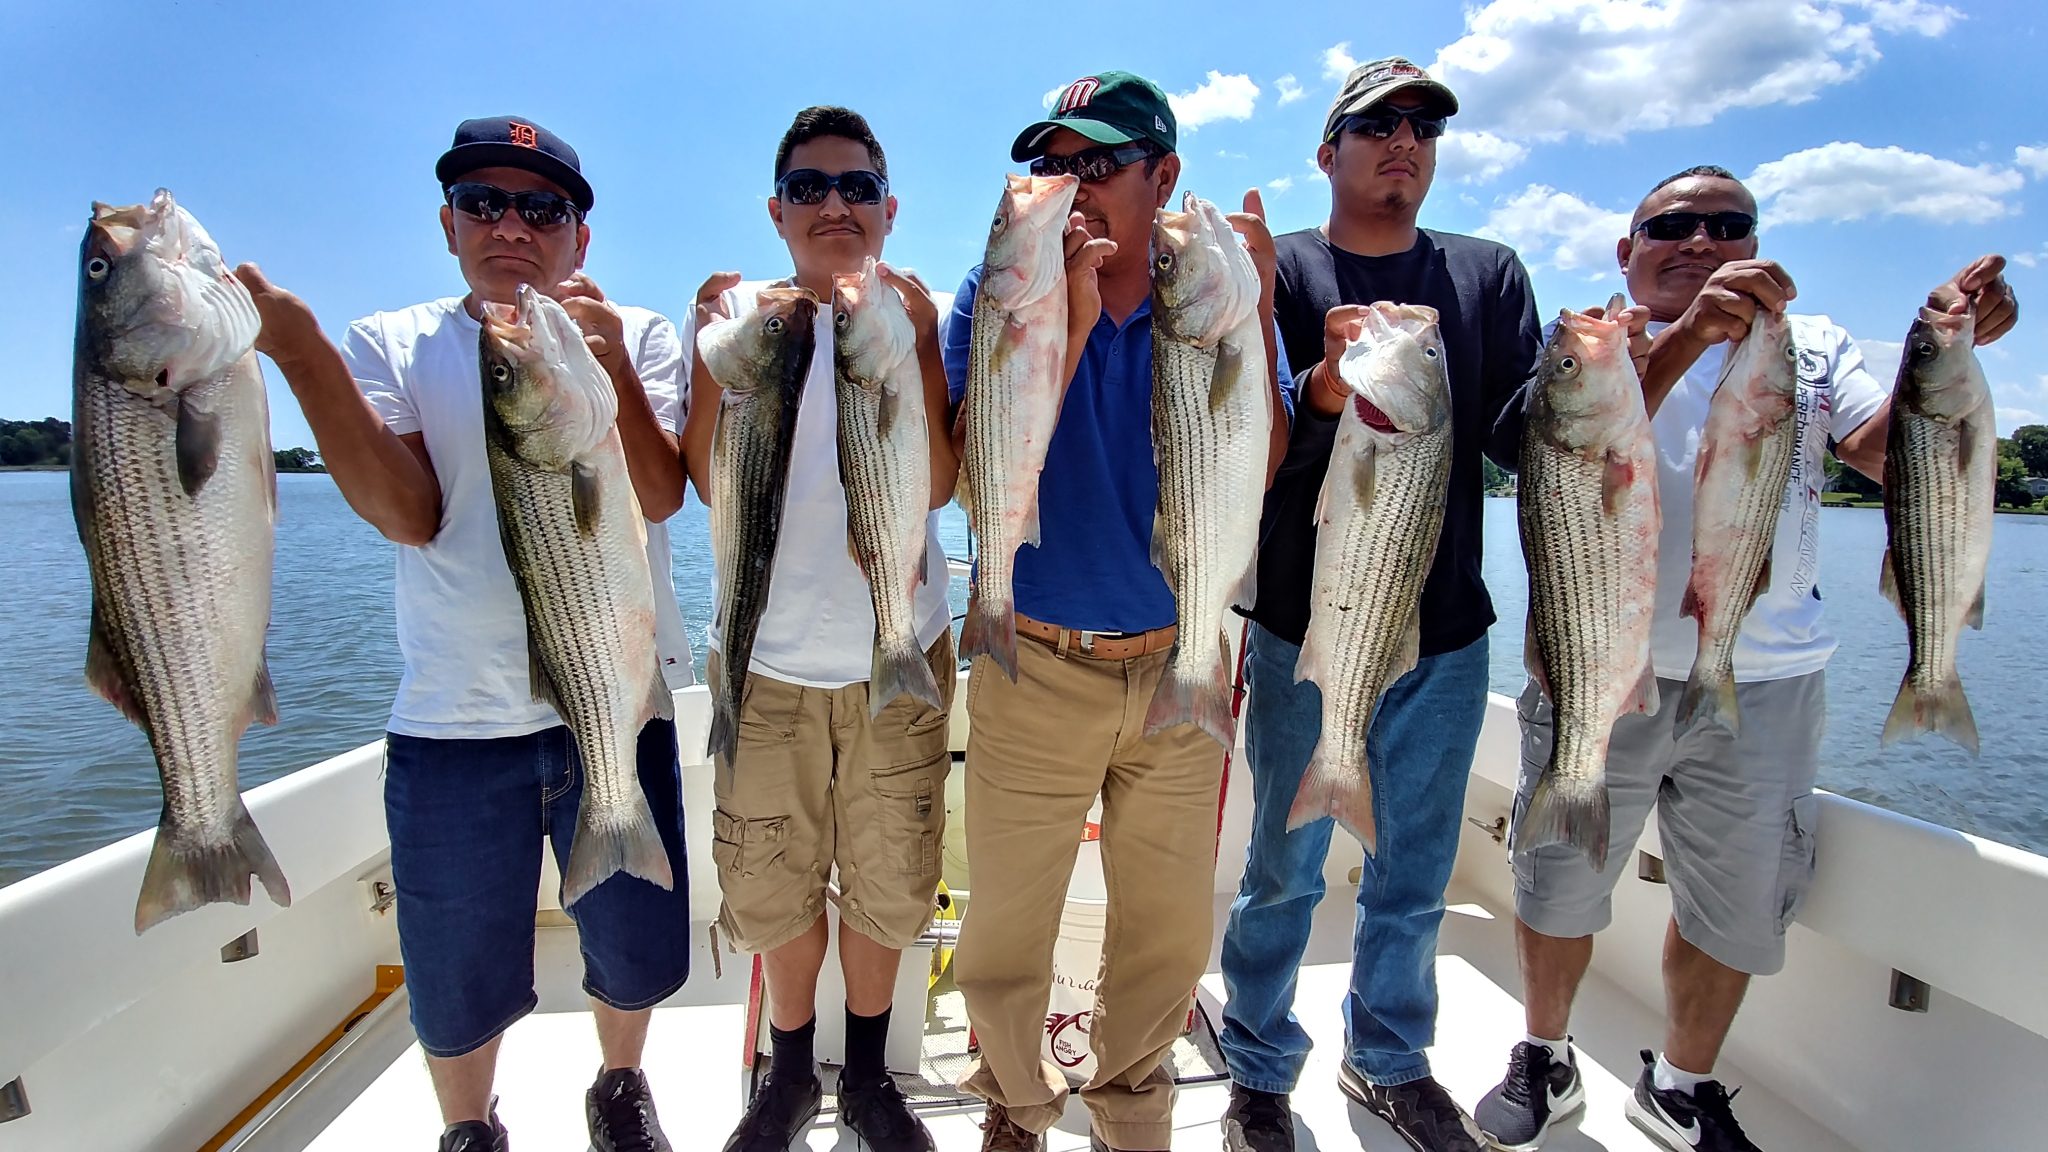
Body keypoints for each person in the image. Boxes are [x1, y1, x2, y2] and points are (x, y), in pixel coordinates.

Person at [1472, 165, 2017, 1152]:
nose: (1699, 241)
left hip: (1770, 676)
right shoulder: (1594, 344)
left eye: (1729, 226)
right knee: (1557, 875)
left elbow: (1889, 457)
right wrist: (1685, 340)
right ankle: (1543, 1053)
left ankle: (1678, 1084)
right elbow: (1550, 446)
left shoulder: (1813, 349)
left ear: (1757, 243)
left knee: (1730, 905)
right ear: (1625, 249)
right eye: (1671, 225)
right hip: (1598, 657)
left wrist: (1952, 358)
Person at [232, 115, 694, 1152]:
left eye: (541, 208)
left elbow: (660, 494)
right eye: (483, 203)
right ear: (447, 224)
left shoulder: (637, 334)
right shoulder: (394, 343)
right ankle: (468, 1126)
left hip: (613, 698)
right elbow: (404, 511)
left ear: (580, 234)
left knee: (635, 942)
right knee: (451, 968)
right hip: (448, 719)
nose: (511, 227)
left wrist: (610, 368)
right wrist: (300, 353)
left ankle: (619, 1086)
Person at [941, 71, 1292, 1152]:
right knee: (1003, 919)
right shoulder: (997, 287)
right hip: (1032, 653)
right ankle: (1013, 1101)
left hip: (1179, 654)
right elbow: (974, 469)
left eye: (1097, 162)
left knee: (1168, 928)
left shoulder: (1217, 298)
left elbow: (1265, 465)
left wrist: (1265, 317)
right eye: (1054, 163)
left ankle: (1130, 1111)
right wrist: (1074, 314)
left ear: (1163, 176)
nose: (1072, 184)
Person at [1217, 58, 1551, 1152]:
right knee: (1278, 869)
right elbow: (1239, 440)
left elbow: (1516, 437)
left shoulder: (1488, 274)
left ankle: (1388, 1062)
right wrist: (1315, 390)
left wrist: (1610, 370)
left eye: (1423, 127)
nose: (1402, 140)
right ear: (1329, 152)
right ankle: (1258, 1070)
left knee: (1410, 873)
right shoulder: (1284, 272)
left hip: (1445, 632)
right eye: (1376, 125)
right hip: (1299, 625)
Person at [677, 105, 959, 1152]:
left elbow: (936, 479)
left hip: (899, 641)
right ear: (777, 209)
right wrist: (714, 348)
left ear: (888, 208)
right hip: (763, 661)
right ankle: (789, 1067)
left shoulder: (913, 314)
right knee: (771, 875)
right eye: (809, 187)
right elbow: (695, 480)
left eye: (854, 186)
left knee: (889, 873)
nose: (833, 203)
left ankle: (872, 1074)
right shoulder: (739, 317)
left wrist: (923, 347)